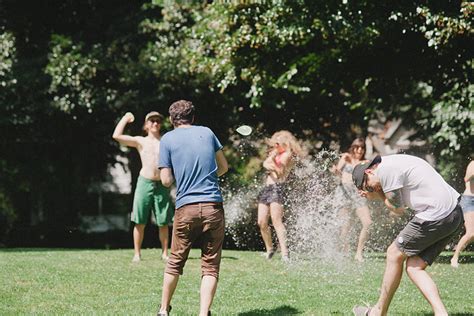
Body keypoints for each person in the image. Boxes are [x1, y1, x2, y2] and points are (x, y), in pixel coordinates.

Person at [351, 154, 463, 316]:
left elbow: (398, 209)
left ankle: (378, 313)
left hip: (437, 214)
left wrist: (378, 195)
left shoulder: (385, 170)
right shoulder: (390, 165)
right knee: (414, 267)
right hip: (454, 213)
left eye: (367, 186)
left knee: (393, 254)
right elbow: (397, 208)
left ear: (369, 171)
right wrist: (378, 193)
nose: (372, 190)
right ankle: (441, 314)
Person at [157, 100, 228, 316]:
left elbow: (166, 180)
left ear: (172, 120)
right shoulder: (207, 133)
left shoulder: (167, 139)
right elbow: (223, 168)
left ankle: (163, 310)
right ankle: (203, 313)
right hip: (213, 206)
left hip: (186, 207)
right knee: (210, 265)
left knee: (175, 260)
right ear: (193, 118)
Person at [112, 111, 173, 262]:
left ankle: (165, 253)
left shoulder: (165, 141)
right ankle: (137, 254)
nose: (155, 123)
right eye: (152, 121)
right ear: (146, 125)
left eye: (158, 121)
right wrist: (125, 118)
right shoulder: (141, 141)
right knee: (139, 220)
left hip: (161, 184)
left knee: (163, 221)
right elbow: (117, 136)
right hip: (144, 182)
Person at [257, 130, 302, 262]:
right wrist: (270, 163)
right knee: (261, 222)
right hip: (267, 188)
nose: (275, 146)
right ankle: (270, 249)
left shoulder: (287, 154)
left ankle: (285, 253)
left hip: (277, 188)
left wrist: (271, 162)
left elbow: (280, 173)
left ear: (284, 144)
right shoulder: (277, 154)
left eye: (277, 144)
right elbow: (265, 164)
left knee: (277, 221)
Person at [334, 137, 372, 262]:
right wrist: (341, 163)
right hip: (343, 192)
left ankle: (359, 253)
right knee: (345, 225)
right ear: (353, 147)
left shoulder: (366, 162)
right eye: (357, 147)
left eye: (362, 148)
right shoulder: (346, 158)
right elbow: (337, 172)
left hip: (357, 193)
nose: (359, 150)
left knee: (368, 222)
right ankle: (344, 252)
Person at [450, 160, 474, 268]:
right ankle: (454, 257)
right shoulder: (473, 164)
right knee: (471, 233)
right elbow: (466, 178)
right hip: (469, 200)